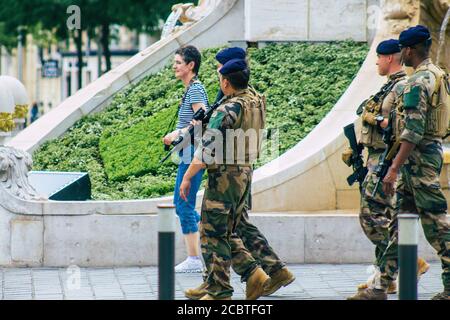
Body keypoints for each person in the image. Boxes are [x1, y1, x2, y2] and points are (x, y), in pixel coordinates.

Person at [184, 47, 294, 300]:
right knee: (230, 227)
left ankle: (223, 287)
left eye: (219, 72)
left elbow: (207, 150)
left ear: (226, 80)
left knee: (215, 231)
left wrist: (189, 177)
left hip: (225, 177)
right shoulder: (252, 100)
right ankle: (246, 275)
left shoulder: (228, 109)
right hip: (243, 172)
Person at [353, 25, 450, 300]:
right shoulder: (438, 75)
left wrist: (393, 168)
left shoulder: (418, 81)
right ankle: (381, 287)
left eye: (402, 51)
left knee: (437, 226)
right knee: (399, 224)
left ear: (408, 50)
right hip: (423, 156)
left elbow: (413, 130)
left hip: (418, 161)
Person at [343, 39, 429, 298]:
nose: (376, 62)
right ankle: (387, 277)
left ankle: (409, 261)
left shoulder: (402, 86)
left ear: (389, 58)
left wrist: (377, 120)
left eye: (379, 58)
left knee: (371, 217)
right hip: (374, 157)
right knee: (382, 217)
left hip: (386, 160)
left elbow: (402, 124)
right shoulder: (389, 86)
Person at [163, 45, 209, 273]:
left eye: (178, 62)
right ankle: (212, 233)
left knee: (183, 204)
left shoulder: (196, 90)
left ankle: (193, 259)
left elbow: (201, 123)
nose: (174, 66)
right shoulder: (191, 89)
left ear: (191, 65)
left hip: (194, 155)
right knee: (184, 206)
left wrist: (176, 135)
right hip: (188, 154)